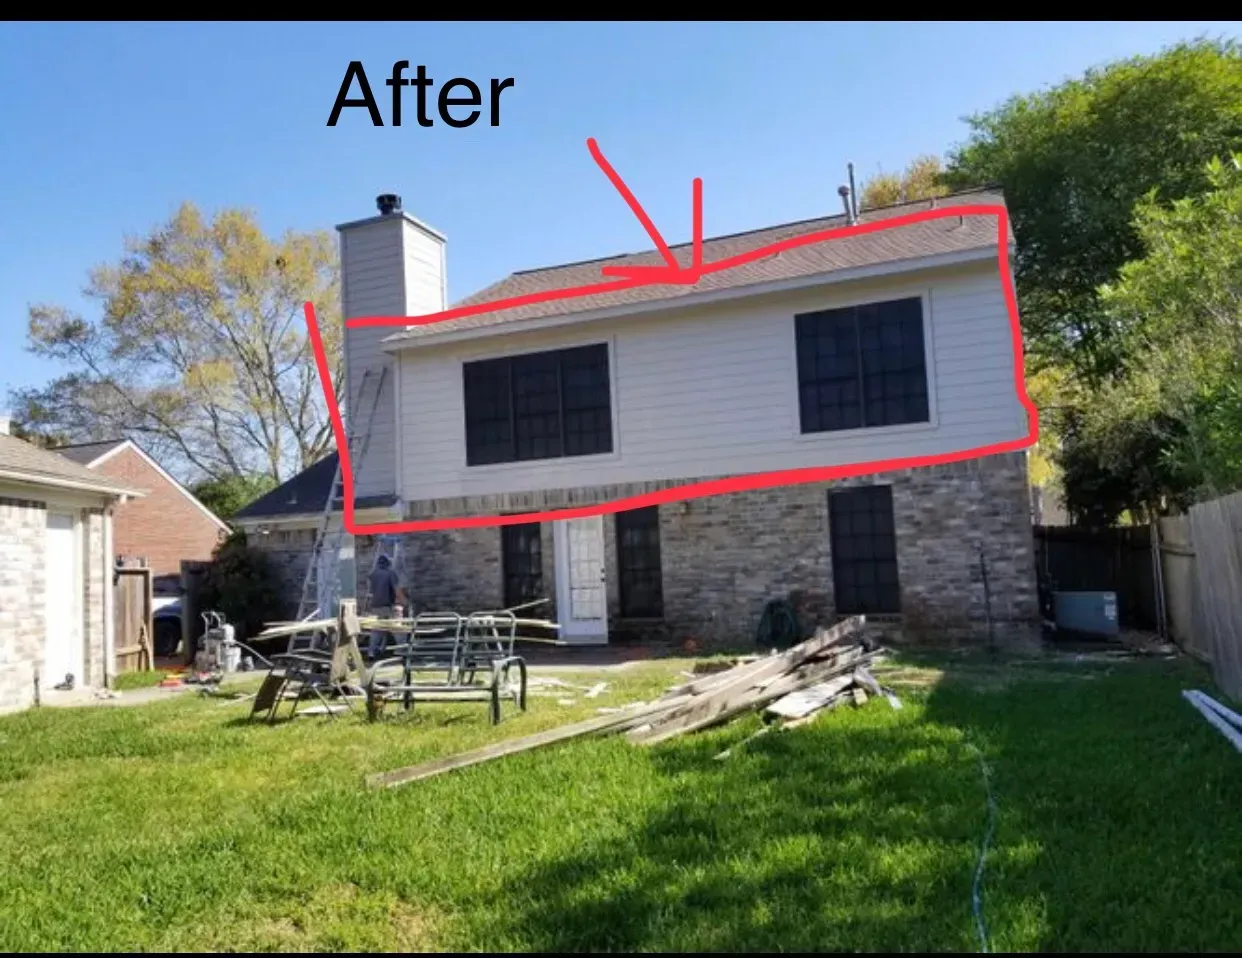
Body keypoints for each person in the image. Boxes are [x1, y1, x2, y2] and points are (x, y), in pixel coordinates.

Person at [367, 554, 406, 659]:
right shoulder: (390, 573)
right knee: (397, 628)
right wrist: (404, 602)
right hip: (388, 605)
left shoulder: (373, 574)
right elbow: (397, 590)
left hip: (376, 606)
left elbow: (372, 592)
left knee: (377, 630)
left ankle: (372, 651)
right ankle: (402, 650)